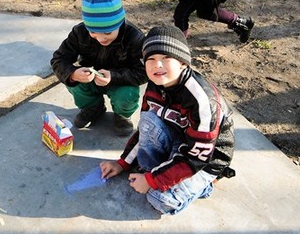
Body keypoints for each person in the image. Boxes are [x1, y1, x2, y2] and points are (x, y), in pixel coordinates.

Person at [100, 25, 235, 215]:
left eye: (166, 58)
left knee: (159, 199)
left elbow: (196, 157)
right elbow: (144, 129)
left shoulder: (202, 100)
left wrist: (151, 180)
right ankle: (160, 169)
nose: (158, 65)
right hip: (178, 139)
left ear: (183, 63)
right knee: (147, 124)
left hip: (206, 158)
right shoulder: (156, 84)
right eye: (151, 59)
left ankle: (206, 184)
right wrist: (123, 163)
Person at [50, 0, 147, 136]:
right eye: (93, 32)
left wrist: (114, 76)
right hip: (90, 80)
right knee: (75, 85)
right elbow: (59, 59)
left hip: (120, 82)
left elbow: (143, 72)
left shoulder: (134, 38)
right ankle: (93, 107)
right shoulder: (79, 32)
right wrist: (73, 74)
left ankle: (122, 115)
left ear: (120, 23)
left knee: (127, 95)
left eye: (108, 32)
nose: (101, 38)